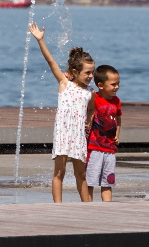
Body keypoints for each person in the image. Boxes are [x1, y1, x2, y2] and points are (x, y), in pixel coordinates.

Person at [29, 22, 95, 203]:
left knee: (80, 173)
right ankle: (58, 205)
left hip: (79, 135)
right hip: (63, 134)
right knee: (60, 172)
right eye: (87, 72)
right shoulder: (65, 84)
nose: (91, 76)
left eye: (92, 72)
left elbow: (92, 108)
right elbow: (50, 61)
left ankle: (87, 206)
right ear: (75, 72)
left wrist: (89, 120)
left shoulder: (90, 92)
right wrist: (40, 41)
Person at [86, 65, 122, 202]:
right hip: (94, 147)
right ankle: (87, 205)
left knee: (108, 181)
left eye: (118, 83)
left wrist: (117, 135)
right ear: (100, 85)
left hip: (110, 148)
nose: (117, 87)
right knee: (90, 180)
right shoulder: (93, 98)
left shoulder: (117, 101)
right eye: (113, 84)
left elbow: (118, 120)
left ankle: (107, 206)